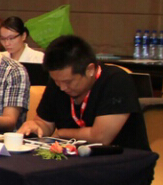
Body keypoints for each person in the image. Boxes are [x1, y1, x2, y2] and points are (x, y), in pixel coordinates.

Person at [18, 35, 148, 149]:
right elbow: (45, 123)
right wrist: (35, 126)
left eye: (68, 82)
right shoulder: (58, 81)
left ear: (90, 70)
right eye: (57, 81)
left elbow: (100, 137)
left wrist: (63, 133)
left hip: (122, 160)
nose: (62, 88)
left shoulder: (116, 81)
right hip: (73, 158)